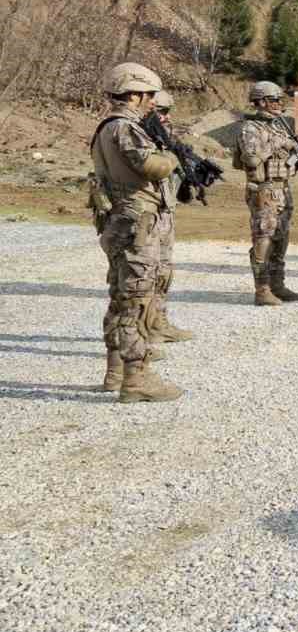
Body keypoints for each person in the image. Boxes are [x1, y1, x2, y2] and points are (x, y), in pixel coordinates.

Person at [89, 63, 182, 402]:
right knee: (136, 305)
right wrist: (172, 156)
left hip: (124, 222)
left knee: (121, 300)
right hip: (136, 225)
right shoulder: (124, 128)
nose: (151, 103)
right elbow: (151, 166)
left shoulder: (110, 127)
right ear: (133, 93)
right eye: (148, 96)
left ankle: (115, 373)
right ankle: (136, 380)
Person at [237, 81, 298, 306]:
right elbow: (251, 159)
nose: (279, 104)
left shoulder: (278, 127)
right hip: (263, 190)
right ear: (262, 102)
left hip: (282, 189)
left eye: (279, 100)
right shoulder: (250, 128)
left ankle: (278, 285)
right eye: (275, 99)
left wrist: (297, 155)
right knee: (263, 239)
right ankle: (262, 289)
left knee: (281, 238)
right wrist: (278, 143)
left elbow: (284, 156)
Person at [141, 90, 197, 342]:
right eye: (162, 111)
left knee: (163, 270)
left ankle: (158, 323)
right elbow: (152, 168)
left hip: (164, 208)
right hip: (145, 212)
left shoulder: (160, 136)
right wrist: (174, 155)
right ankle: (143, 332)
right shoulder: (137, 134)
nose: (167, 117)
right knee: (145, 275)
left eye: (168, 111)